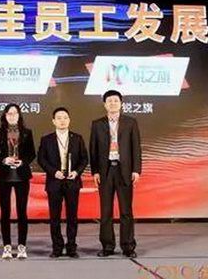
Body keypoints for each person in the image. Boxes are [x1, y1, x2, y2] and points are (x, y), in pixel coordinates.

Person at [89, 90, 142, 258]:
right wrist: (95, 171)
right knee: (106, 212)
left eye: (116, 101)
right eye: (109, 101)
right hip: (105, 171)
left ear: (121, 103)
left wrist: (136, 170)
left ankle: (128, 246)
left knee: (126, 211)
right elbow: (93, 150)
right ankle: (107, 246)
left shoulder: (130, 122)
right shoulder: (97, 124)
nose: (113, 103)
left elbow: (136, 148)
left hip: (124, 170)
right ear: (105, 104)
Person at [37, 107, 88, 258]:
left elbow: (84, 159)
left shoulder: (77, 138)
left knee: (72, 216)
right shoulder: (47, 139)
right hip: (54, 182)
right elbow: (41, 159)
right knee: (55, 217)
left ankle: (72, 247)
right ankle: (57, 248)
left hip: (72, 182)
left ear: (69, 120)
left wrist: (76, 172)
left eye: (65, 117)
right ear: (53, 121)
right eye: (59, 118)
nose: (62, 121)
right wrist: (54, 172)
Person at [0, 103, 36, 260]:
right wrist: (4, 160)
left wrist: (23, 161)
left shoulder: (27, 133)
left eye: (15, 113)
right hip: (4, 176)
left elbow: (32, 153)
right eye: (9, 113)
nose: (12, 116)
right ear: (5, 115)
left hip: (22, 176)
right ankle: (7, 246)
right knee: (5, 212)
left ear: (19, 115)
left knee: (22, 211)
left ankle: (22, 246)